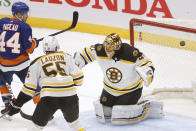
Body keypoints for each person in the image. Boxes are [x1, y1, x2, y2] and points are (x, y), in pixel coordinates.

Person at [74, 33, 163, 125]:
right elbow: (85, 53)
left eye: (110, 49)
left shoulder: (131, 53)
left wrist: (147, 72)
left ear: (117, 48)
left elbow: (146, 63)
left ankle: (146, 108)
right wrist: (77, 61)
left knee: (121, 114)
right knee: (103, 113)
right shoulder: (100, 50)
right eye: (106, 48)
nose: (107, 51)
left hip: (130, 91)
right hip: (109, 90)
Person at [6, 36, 86, 131]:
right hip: (70, 97)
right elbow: (79, 80)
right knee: (75, 124)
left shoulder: (36, 62)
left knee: (35, 127)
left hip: (49, 98)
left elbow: (29, 89)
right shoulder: (67, 57)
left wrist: (17, 104)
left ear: (44, 49)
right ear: (57, 47)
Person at [0, 1, 39, 113]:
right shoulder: (25, 27)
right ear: (17, 13)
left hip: (4, 65)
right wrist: (34, 42)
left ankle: (7, 103)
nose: (26, 16)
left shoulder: (2, 22)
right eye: (24, 13)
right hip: (22, 65)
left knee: (2, 83)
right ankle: (42, 107)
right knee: (32, 85)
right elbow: (29, 49)